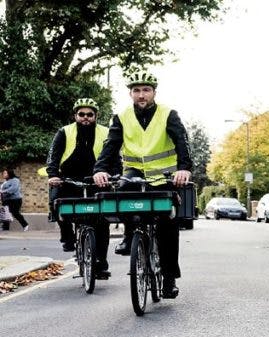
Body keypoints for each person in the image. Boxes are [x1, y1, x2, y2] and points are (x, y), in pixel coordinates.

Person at [93, 70, 193, 299]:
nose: (141, 95)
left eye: (146, 90)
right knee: (123, 193)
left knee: (168, 227)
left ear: (154, 92)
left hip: (165, 177)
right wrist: (100, 170)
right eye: (136, 90)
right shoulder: (121, 117)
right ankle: (129, 236)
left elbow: (182, 143)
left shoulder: (169, 114)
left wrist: (184, 168)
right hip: (134, 173)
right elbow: (110, 146)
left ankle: (169, 279)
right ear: (130, 93)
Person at [45, 99, 115, 279]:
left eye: (89, 115)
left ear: (95, 116)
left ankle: (101, 263)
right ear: (75, 116)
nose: (85, 118)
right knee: (56, 203)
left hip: (98, 180)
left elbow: (114, 157)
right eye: (81, 114)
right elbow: (53, 156)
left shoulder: (106, 132)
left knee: (102, 221)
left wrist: (112, 175)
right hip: (68, 179)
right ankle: (67, 236)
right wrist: (53, 175)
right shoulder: (64, 132)